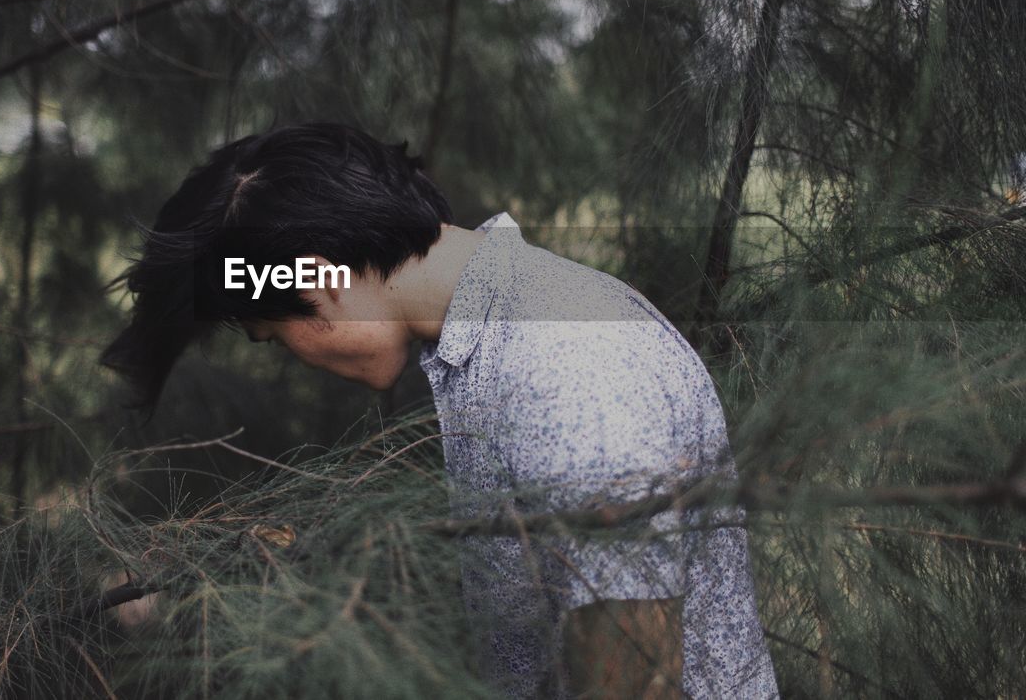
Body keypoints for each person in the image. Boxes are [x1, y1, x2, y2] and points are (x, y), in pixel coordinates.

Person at [102, 122, 778, 698]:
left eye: (275, 336)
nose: (294, 355)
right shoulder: (494, 340)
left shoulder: (561, 364)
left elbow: (637, 675)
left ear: (316, 277)